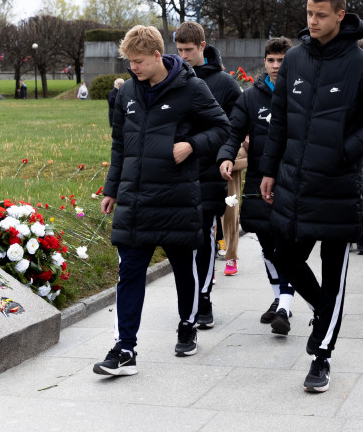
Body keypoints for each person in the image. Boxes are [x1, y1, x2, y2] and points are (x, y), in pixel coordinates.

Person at [259, 0, 363, 393]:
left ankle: (322, 356)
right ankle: (322, 311)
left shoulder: (362, 64)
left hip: (338, 186)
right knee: (284, 257)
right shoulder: (294, 59)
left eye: (320, 15)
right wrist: (269, 169)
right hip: (294, 182)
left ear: (340, 15)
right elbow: (279, 119)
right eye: (308, 14)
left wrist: (345, 151)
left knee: (334, 276)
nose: (312, 21)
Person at [93, 25, 230, 376]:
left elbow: (222, 129)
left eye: (138, 61)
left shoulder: (192, 88)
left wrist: (192, 145)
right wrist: (111, 189)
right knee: (129, 272)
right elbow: (120, 144)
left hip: (175, 199)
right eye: (129, 62)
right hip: (134, 200)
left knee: (184, 269)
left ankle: (187, 324)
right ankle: (125, 349)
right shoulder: (127, 94)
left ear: (157, 56)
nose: (133, 68)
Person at [217, 37, 297, 327]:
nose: (276, 66)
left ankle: (285, 307)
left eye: (282, 60)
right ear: (264, 62)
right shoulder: (250, 97)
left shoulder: (302, 93)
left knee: (287, 245)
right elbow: (233, 131)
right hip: (258, 183)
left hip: (292, 182)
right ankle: (279, 297)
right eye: (271, 60)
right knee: (267, 245)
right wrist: (226, 156)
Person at [175, 21, 242, 328]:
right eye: (179, 50)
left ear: (203, 46)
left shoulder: (225, 84)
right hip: (177, 173)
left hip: (210, 172)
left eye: (189, 49)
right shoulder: (172, 79)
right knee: (185, 240)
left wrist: (223, 157)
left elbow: (231, 129)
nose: (184, 55)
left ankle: (203, 299)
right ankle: (191, 298)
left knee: (203, 238)